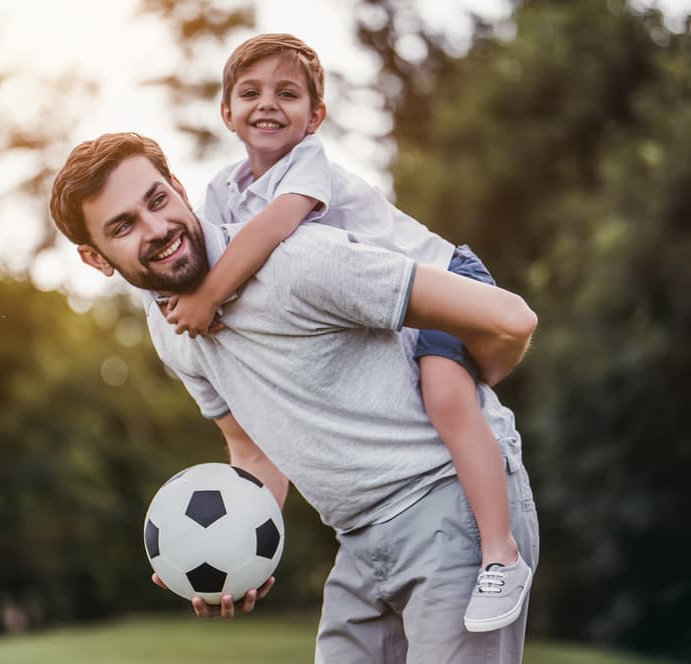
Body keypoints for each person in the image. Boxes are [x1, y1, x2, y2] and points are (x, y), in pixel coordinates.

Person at [49, 132, 539, 664]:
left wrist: (468, 398)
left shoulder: (296, 264)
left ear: (180, 189)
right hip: (357, 540)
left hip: (451, 506)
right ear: (95, 259)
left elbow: (510, 320)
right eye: (124, 226)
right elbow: (253, 452)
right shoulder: (170, 331)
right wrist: (230, 550)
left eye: (158, 200)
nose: (157, 229)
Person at [161, 33, 528, 633]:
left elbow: (275, 228)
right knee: (425, 397)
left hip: (443, 280)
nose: (267, 104)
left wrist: (206, 296)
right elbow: (219, 252)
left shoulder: (309, 166)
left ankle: (499, 554)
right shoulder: (221, 191)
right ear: (226, 113)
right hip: (387, 307)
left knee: (446, 400)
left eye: (288, 93)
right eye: (249, 93)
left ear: (315, 116)